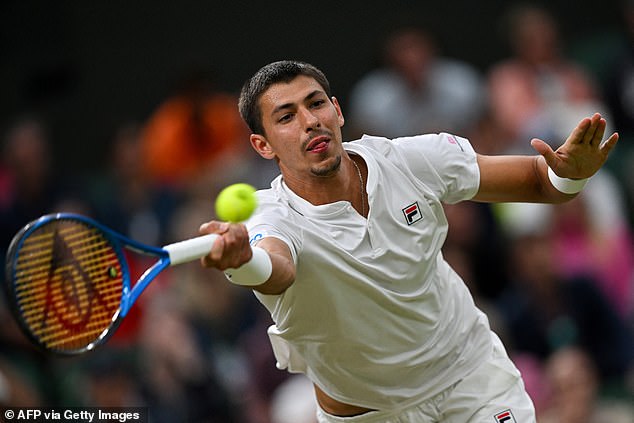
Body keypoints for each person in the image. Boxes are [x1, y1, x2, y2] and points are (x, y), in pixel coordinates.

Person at [197, 60, 619, 422]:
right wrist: (241, 260)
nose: (310, 121)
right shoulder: (264, 214)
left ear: (337, 111)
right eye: (286, 117)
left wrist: (571, 172)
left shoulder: (413, 160)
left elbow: (538, 181)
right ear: (262, 145)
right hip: (371, 413)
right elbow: (275, 268)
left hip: (469, 378)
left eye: (316, 103)